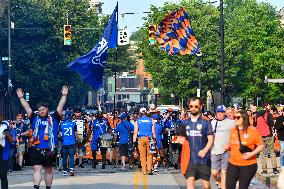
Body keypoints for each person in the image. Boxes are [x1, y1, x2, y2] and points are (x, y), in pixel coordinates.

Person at [16, 86, 68, 189]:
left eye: (43, 109)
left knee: (49, 171)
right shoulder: (34, 118)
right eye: (39, 110)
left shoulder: (54, 117)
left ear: (47, 109)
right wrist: (21, 98)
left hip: (50, 149)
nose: (41, 111)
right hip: (37, 148)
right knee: (36, 169)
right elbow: (27, 108)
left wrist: (64, 95)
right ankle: (36, 187)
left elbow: (60, 106)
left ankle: (48, 187)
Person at [180, 97, 214, 189]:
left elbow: (211, 139)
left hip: (204, 159)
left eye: (196, 106)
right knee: (190, 183)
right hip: (190, 159)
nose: (193, 108)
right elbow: (178, 136)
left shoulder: (206, 122)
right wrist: (179, 139)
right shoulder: (185, 122)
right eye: (191, 106)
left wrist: (205, 150)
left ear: (200, 106)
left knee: (206, 185)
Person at [225, 110, 264, 189]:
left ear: (244, 118)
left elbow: (261, 145)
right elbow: (233, 145)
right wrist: (228, 147)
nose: (235, 119)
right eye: (234, 117)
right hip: (233, 164)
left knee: (242, 187)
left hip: (248, 165)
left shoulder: (252, 131)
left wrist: (251, 154)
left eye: (238, 117)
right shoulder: (233, 130)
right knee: (229, 186)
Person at [210, 105, 235, 189]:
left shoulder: (231, 123)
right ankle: (218, 181)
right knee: (214, 172)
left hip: (226, 151)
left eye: (222, 112)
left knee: (224, 171)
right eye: (218, 112)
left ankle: (224, 187)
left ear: (225, 113)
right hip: (214, 150)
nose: (220, 114)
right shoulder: (212, 123)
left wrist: (230, 144)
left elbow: (236, 135)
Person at [252, 103, 279, 174]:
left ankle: (264, 170)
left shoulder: (256, 115)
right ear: (266, 106)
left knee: (262, 153)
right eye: (269, 105)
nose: (270, 107)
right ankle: (274, 169)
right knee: (272, 152)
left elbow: (254, 125)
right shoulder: (268, 114)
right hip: (268, 136)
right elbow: (272, 124)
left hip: (260, 136)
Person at [133, 108, 156, 175]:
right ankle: (149, 170)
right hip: (150, 138)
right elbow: (153, 132)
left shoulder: (138, 121)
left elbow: (135, 132)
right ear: (146, 113)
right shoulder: (151, 120)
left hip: (141, 138)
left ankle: (144, 171)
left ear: (140, 113)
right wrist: (155, 140)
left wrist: (134, 142)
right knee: (150, 154)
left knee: (142, 155)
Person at [59, 111, 78, 176]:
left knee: (64, 157)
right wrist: (77, 140)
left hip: (64, 143)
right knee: (71, 157)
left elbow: (60, 135)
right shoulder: (73, 123)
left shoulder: (61, 124)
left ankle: (64, 171)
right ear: (70, 116)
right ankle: (71, 170)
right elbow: (76, 134)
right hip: (72, 142)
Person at [0, 113, 13, 189]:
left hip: (3, 152)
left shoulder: (5, 126)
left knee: (3, 174)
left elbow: (11, 141)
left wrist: (7, 134)